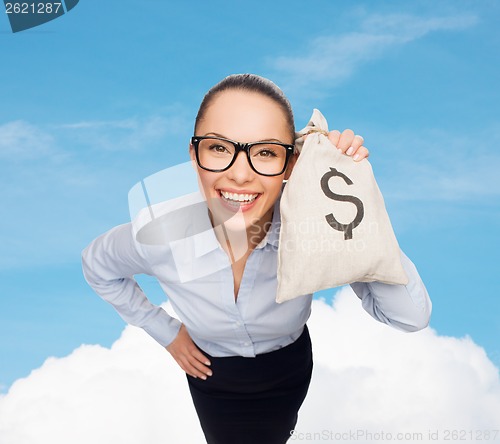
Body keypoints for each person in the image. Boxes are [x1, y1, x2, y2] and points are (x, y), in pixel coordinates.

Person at [81, 74, 431, 444]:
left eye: (265, 152)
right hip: (209, 373)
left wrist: (354, 200)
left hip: (288, 366)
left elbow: (410, 317)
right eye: (218, 148)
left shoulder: (318, 221)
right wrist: (166, 332)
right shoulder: (158, 234)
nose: (239, 173)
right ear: (193, 154)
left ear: (290, 164)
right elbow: (97, 267)